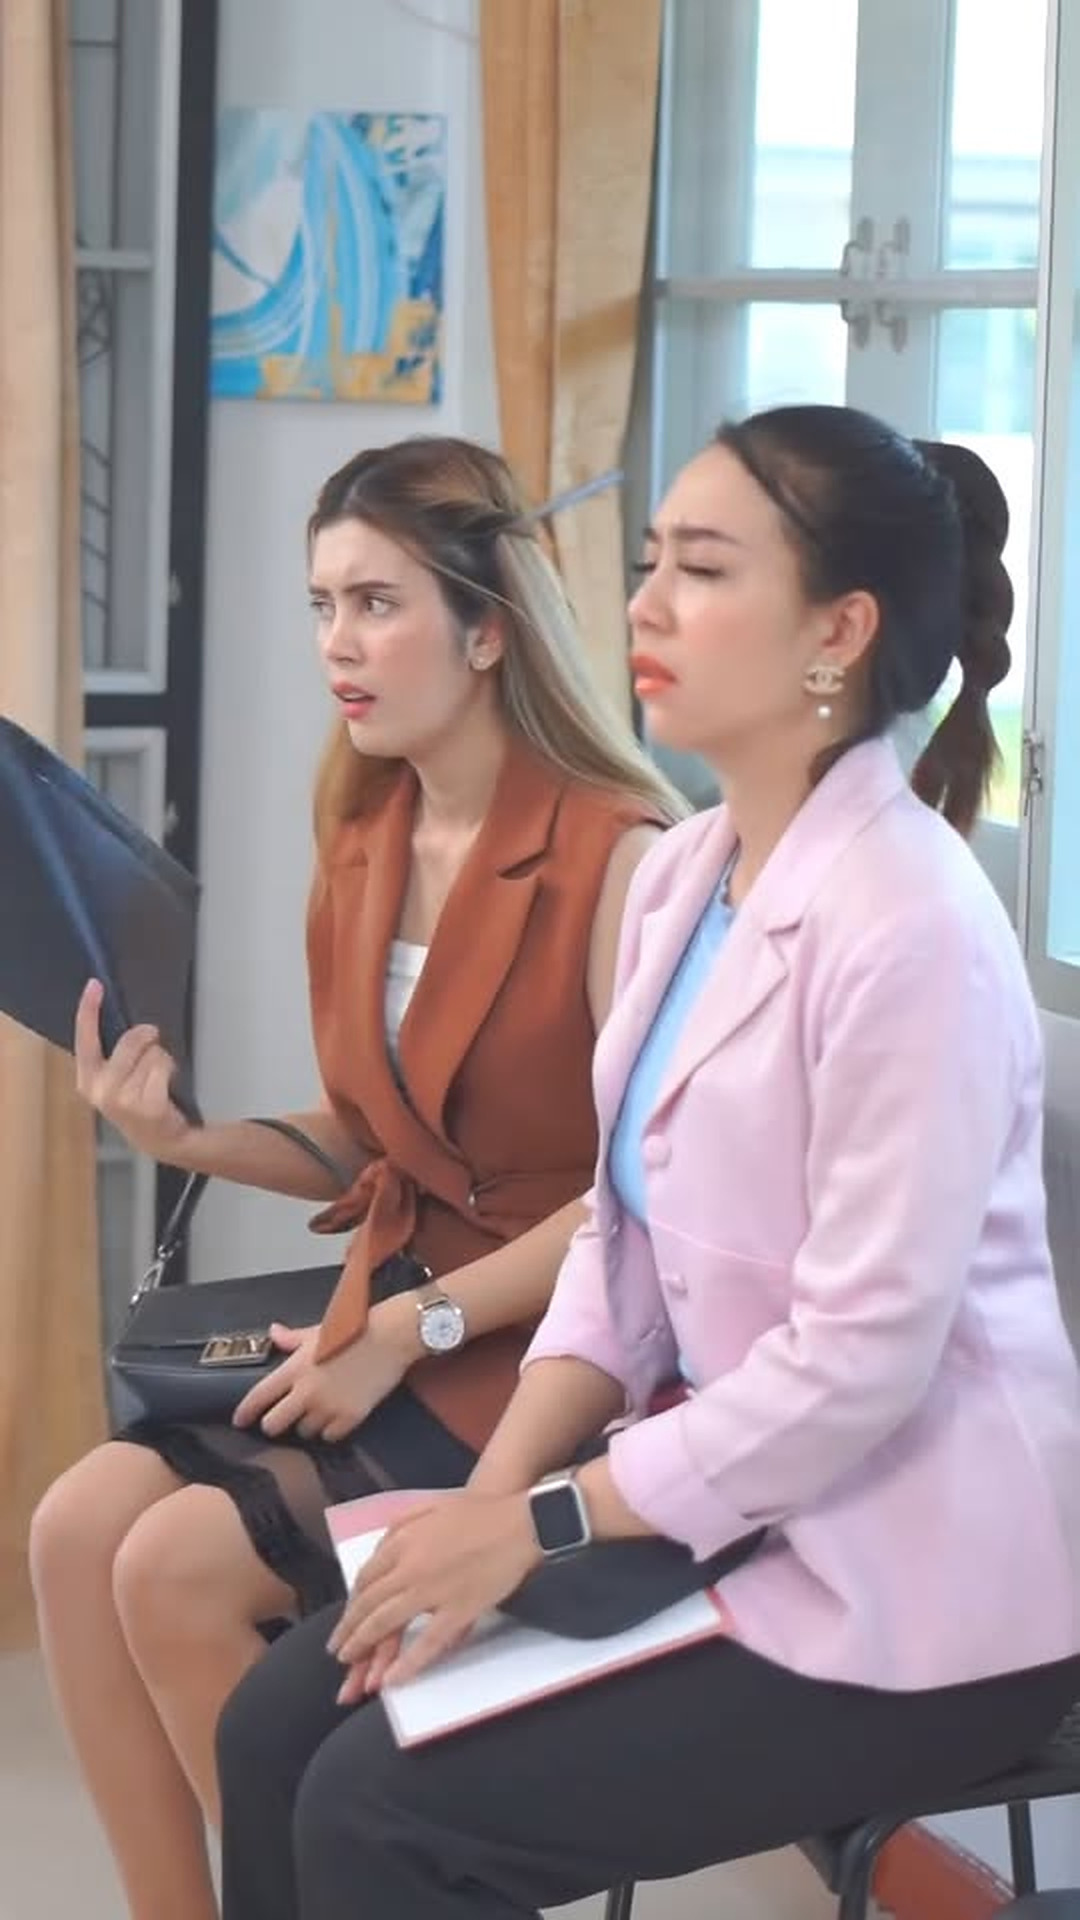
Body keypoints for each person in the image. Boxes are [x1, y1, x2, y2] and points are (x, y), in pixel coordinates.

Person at [215, 405, 1080, 1920]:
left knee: (379, 1814)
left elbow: (858, 1369)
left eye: (704, 569)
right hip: (732, 1506)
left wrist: (540, 1525)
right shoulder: (685, 875)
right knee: (278, 1722)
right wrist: (478, 1512)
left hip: (919, 1588)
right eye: (652, 561)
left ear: (838, 633)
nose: (645, 605)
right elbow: (620, 1253)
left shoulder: (914, 927)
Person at [29, 434, 682, 1920]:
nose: (337, 643)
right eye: (323, 605)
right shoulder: (366, 832)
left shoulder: (623, 856)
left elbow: (641, 1197)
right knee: (72, 1531)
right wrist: (186, 1142)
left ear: (488, 627)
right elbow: (376, 1133)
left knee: (174, 1570)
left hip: (556, 1349)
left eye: (377, 604)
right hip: (398, 1315)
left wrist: (406, 1327)